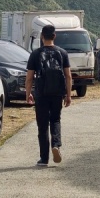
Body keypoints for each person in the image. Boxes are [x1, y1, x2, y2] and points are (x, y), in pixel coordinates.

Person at [25, 24, 72, 167]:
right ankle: (56, 145)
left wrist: (28, 94)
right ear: (54, 36)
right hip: (57, 93)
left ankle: (44, 158)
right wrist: (68, 95)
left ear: (41, 37)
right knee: (55, 120)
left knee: (42, 125)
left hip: (41, 94)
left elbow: (29, 78)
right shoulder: (62, 53)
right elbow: (68, 76)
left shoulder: (35, 54)